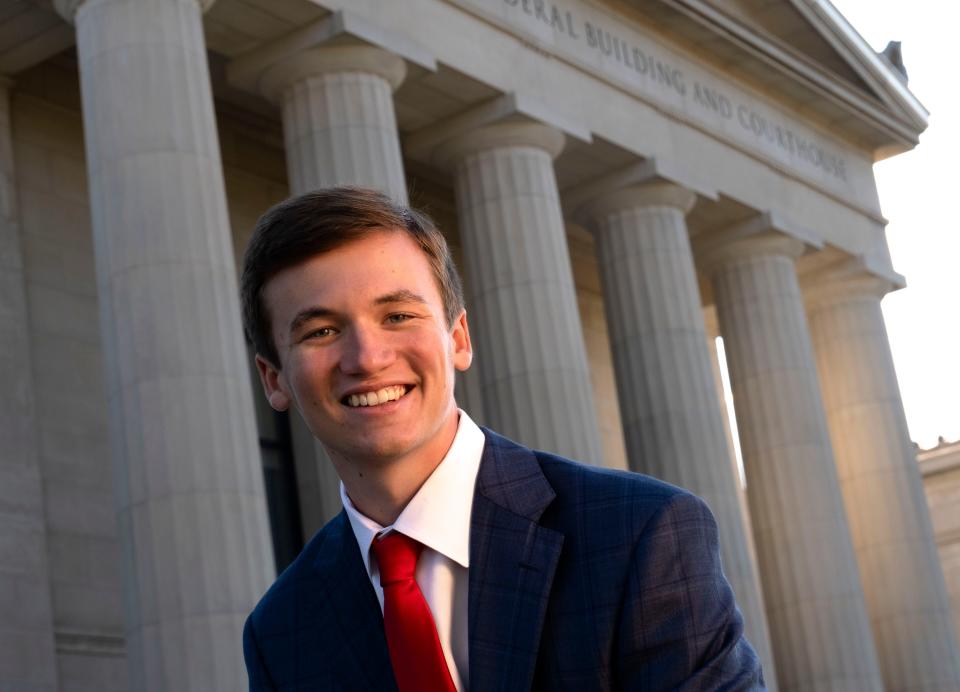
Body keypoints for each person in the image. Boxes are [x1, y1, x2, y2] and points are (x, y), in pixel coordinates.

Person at [240, 186, 764, 691]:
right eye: (321, 332)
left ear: (459, 338)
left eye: (397, 315)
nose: (367, 359)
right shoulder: (281, 630)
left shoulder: (642, 535)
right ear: (274, 379)